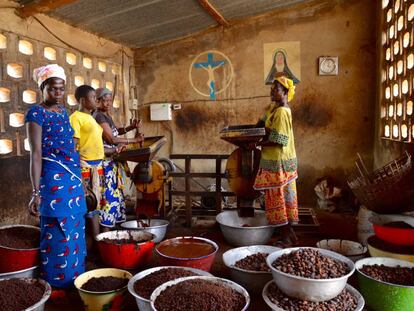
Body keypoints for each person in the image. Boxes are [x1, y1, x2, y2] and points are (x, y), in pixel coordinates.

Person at [25, 64, 87, 290]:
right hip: (52, 177)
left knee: (76, 227)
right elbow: (36, 153)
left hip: (72, 176)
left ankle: (76, 279)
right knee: (56, 228)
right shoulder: (35, 113)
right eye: (52, 89)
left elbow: (70, 147)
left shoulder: (63, 112)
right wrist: (36, 192)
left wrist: (82, 180)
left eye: (61, 89)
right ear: (43, 88)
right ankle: (56, 285)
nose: (58, 93)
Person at [254, 76, 299, 247]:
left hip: (279, 164)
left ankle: (286, 239)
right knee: (282, 200)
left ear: (286, 92)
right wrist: (254, 129)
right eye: (272, 88)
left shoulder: (282, 112)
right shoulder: (274, 108)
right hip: (277, 162)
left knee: (280, 202)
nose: (272, 91)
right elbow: (261, 122)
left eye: (276, 89)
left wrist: (256, 143)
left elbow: (279, 140)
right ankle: (292, 236)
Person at [93, 88, 144, 228]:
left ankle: (109, 230)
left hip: (113, 164)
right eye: (105, 100)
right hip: (106, 164)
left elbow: (115, 131)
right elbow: (111, 139)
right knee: (108, 199)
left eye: (110, 100)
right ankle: (104, 233)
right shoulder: (98, 116)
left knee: (114, 197)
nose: (108, 103)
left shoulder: (105, 115)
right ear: (97, 101)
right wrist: (134, 140)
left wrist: (130, 127)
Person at [69, 85, 109, 236]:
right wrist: (76, 171)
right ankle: (88, 242)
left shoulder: (90, 117)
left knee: (96, 203)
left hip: (97, 166)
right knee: (87, 203)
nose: (96, 101)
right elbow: (73, 147)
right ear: (83, 100)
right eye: (93, 98)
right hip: (85, 167)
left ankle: (97, 239)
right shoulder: (75, 118)